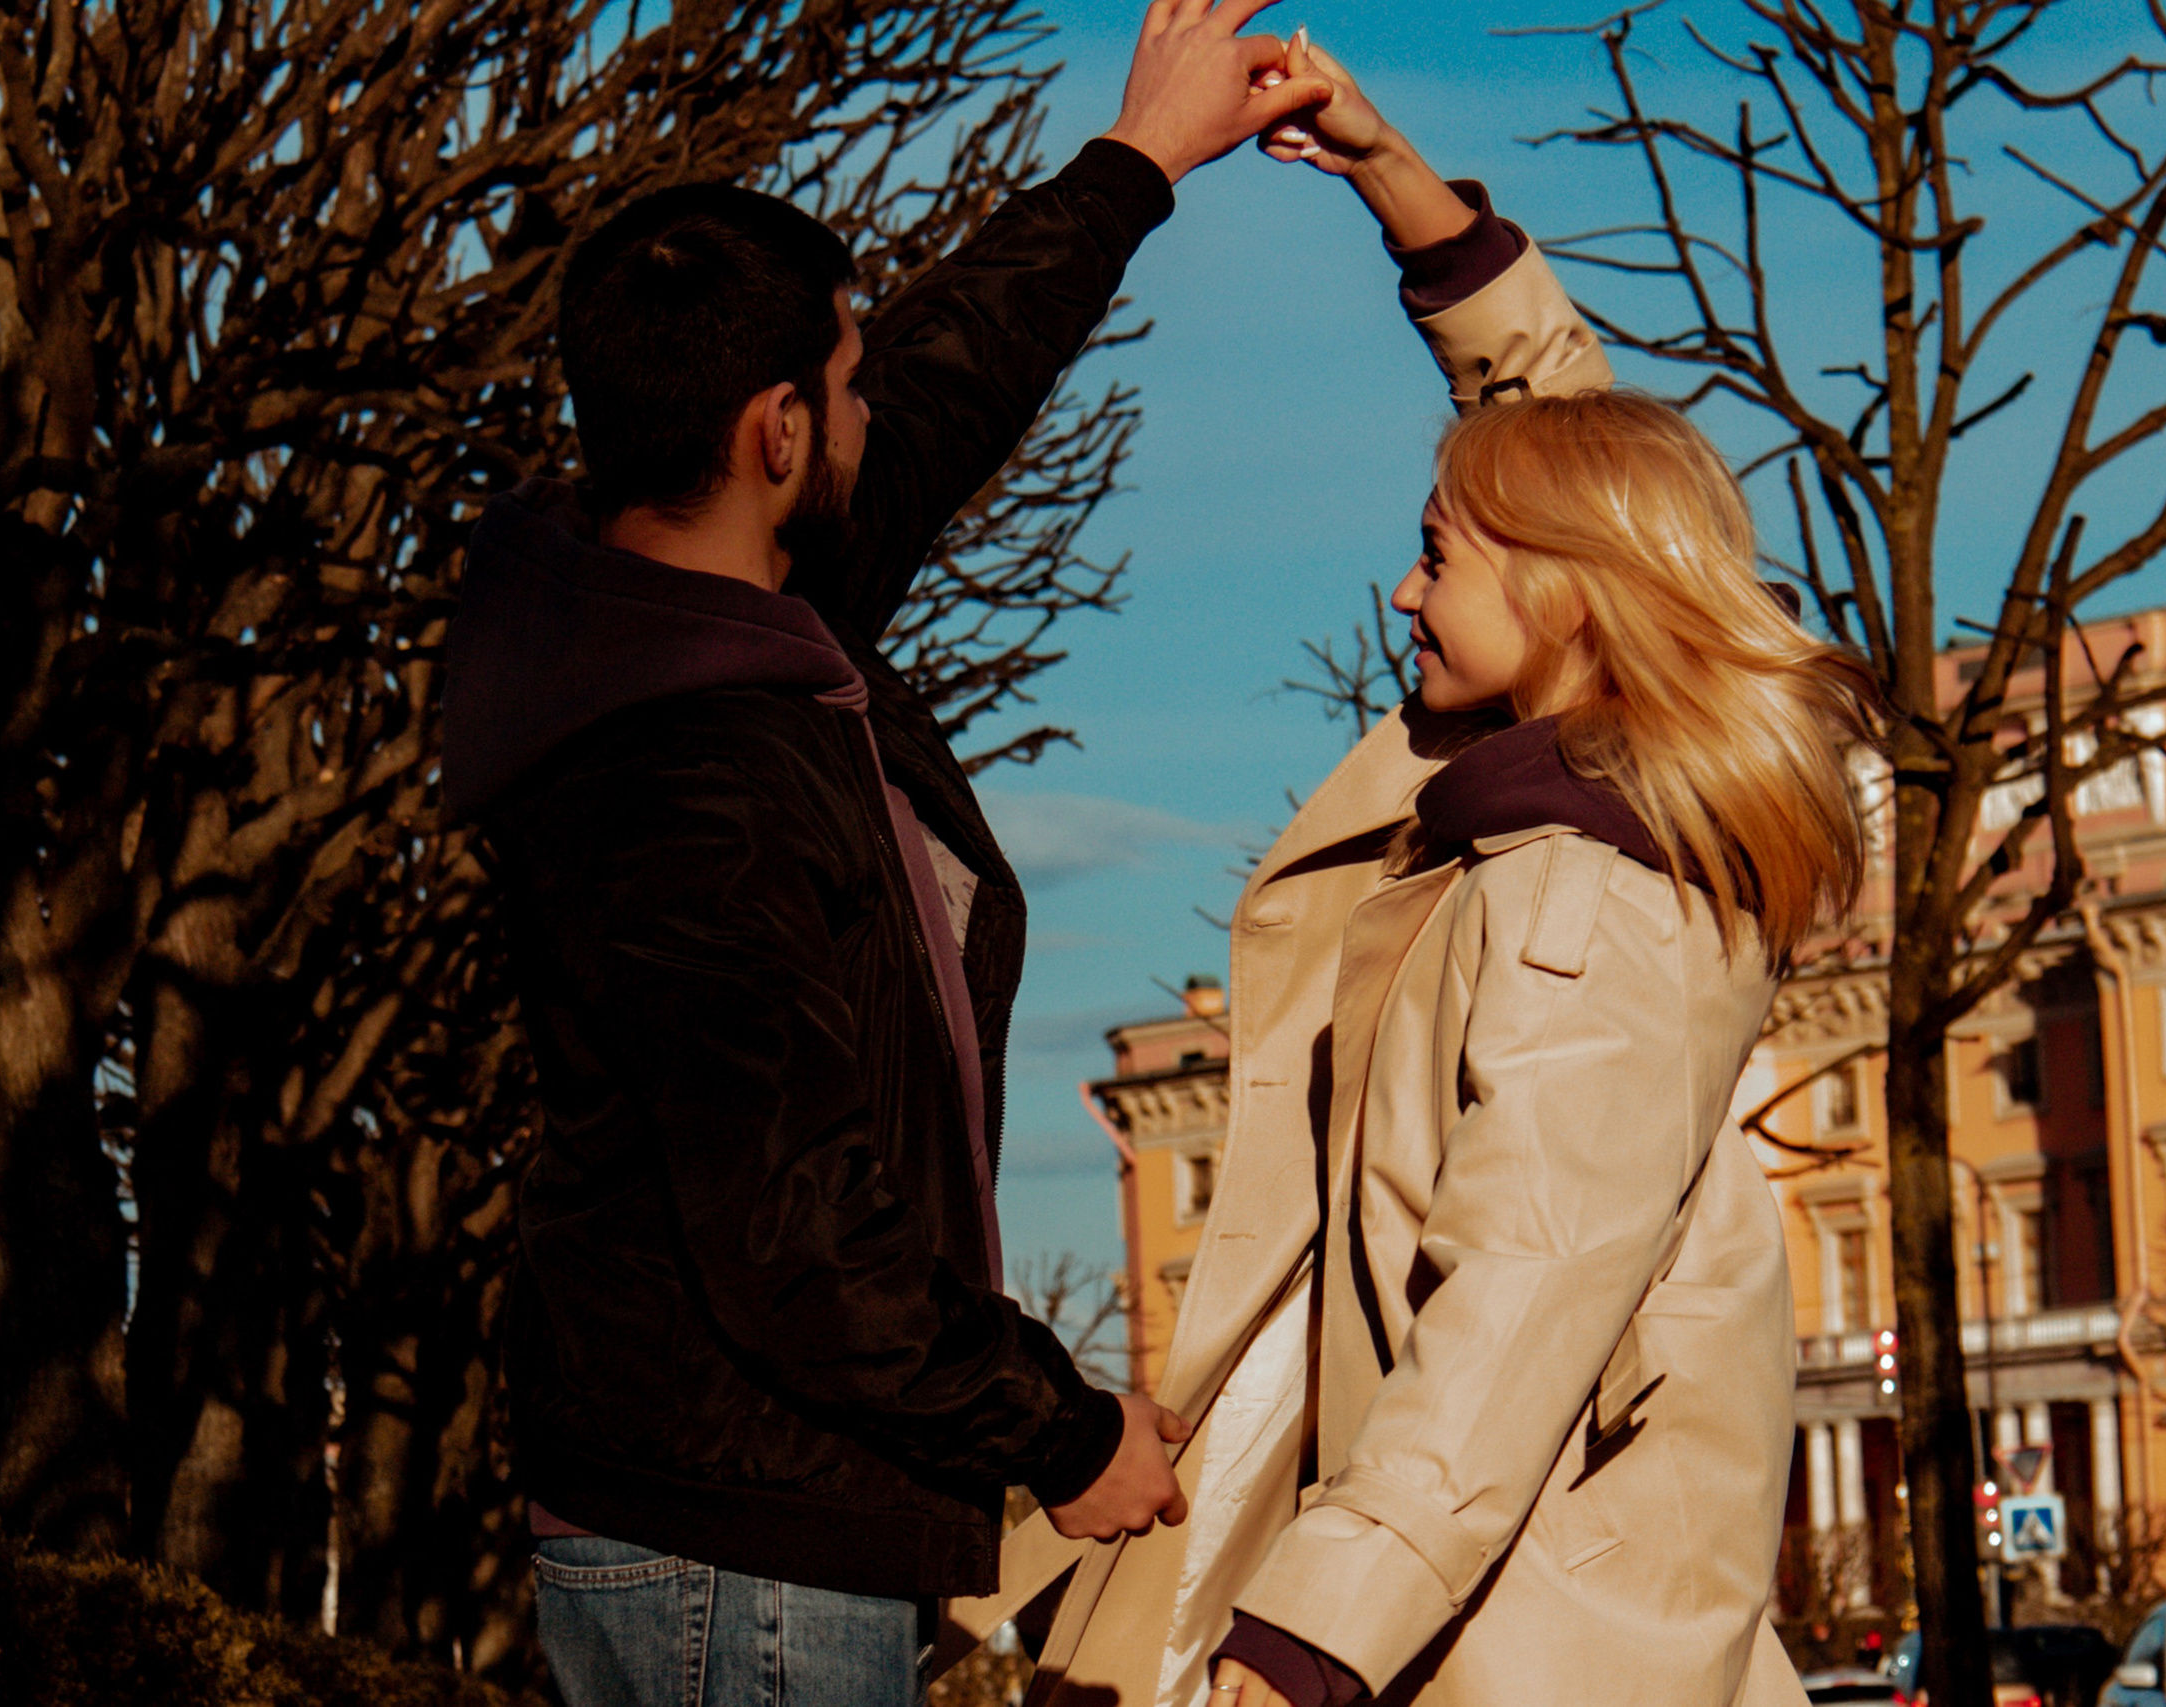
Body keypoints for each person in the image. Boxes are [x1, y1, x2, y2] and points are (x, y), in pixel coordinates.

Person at [957, 40, 1876, 1707]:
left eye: (1440, 555)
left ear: (1573, 600)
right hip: (1427, 1544)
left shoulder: (1596, 897)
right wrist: (1390, 173)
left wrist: (1318, 1633)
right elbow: (1562, 440)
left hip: (1508, 1617)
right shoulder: (1542, 803)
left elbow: (1519, 1294)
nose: (1398, 589)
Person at [435, 7, 1333, 1706]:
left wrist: (1136, 163)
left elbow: (942, 382)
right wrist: (1059, 1435)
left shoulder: (682, 619)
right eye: (838, 390)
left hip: (736, 1511)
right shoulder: (690, 764)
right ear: (774, 430)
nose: (871, 415)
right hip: (747, 1544)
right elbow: (796, 1231)